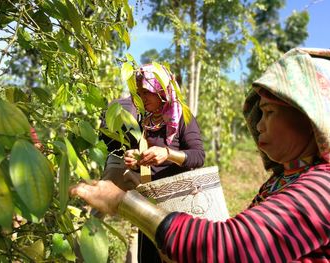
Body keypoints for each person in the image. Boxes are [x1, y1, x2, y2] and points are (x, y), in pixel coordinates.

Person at [71, 48, 330, 262]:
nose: (259, 124)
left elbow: (231, 247)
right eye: (259, 113)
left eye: (270, 112)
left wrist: (123, 201)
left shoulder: (322, 188)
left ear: (312, 117)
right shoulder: (285, 179)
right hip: (158, 209)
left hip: (176, 209)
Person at [100, 63, 205, 262]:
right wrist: (136, 158)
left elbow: (198, 156)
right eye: (138, 92)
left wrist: (168, 154)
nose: (142, 97)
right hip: (150, 201)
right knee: (149, 255)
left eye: (147, 92)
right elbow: (148, 160)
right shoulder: (144, 120)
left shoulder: (182, 116)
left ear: (162, 90)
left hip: (176, 204)